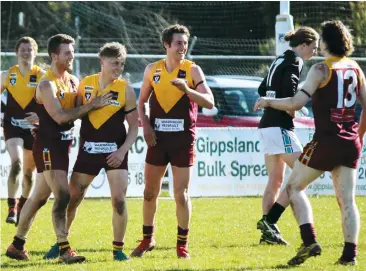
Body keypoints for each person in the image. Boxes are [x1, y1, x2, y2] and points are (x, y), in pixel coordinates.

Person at [254, 20, 365, 266]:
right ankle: (349, 256)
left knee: (292, 187)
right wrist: (358, 135)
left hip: (325, 142)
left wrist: (269, 102)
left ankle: (308, 241)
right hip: (350, 142)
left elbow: (295, 103)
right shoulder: (356, 69)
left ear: (326, 41)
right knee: (347, 201)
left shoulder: (320, 70)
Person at [5, 34, 111, 264]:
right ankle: (64, 249)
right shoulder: (46, 83)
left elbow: (82, 110)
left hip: (63, 147)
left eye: (72, 51)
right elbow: (61, 117)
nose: (71, 56)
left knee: (38, 198)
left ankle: (17, 245)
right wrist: (91, 105)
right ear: (54, 55)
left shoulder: (73, 80)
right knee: (63, 194)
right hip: (47, 147)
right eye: (67, 53)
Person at [43, 42, 138, 261]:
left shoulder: (126, 90)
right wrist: (43, 119)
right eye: (115, 63)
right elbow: (72, 112)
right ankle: (61, 243)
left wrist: (122, 151)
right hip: (88, 152)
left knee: (119, 200)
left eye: (121, 64)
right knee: (72, 199)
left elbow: (134, 127)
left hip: (115, 154)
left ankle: (118, 250)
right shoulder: (85, 84)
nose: (118, 68)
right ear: (102, 61)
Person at [130, 24, 214, 259]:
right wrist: (145, 125)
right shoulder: (152, 70)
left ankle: (181, 245)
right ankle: (147, 239)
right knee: (149, 192)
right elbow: (142, 102)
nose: (183, 47)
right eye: (178, 43)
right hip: (157, 139)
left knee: (180, 193)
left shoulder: (193, 70)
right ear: (166, 45)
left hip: (183, 139)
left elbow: (209, 102)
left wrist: (188, 90)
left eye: (185, 43)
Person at [256, 27, 319, 245]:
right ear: (303, 45)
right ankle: (272, 222)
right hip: (279, 126)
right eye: (313, 47)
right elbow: (290, 91)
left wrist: (271, 101)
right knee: (303, 173)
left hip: (267, 124)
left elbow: (261, 87)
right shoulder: (296, 61)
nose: (315, 52)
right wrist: (294, 106)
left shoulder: (281, 57)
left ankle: (268, 233)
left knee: (275, 181)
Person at [1, 37, 45, 225]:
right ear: (17, 52)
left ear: (35, 53)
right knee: (17, 162)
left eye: (30, 50)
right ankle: (12, 207)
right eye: (23, 49)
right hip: (13, 126)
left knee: (29, 172)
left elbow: (51, 103)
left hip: (34, 130)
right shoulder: (6, 75)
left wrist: (41, 118)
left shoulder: (42, 75)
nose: (26, 53)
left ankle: (23, 207)